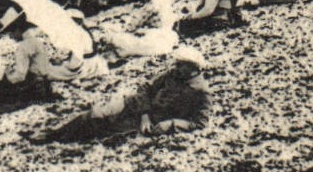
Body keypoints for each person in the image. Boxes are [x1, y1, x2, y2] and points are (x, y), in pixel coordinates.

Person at [32, 46, 208, 143]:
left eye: (181, 65)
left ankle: (62, 140)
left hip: (151, 122)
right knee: (96, 113)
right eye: (177, 64)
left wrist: (171, 124)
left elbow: (200, 123)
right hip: (137, 106)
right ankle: (53, 134)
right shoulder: (171, 75)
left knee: (104, 128)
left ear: (193, 68)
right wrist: (145, 113)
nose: (176, 68)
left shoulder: (201, 92)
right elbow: (145, 89)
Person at [0, 8, 104, 113]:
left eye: (10, 33)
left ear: (17, 30)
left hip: (31, 87)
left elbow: (19, 77)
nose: (10, 37)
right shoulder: (36, 41)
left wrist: (6, 73)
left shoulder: (23, 47)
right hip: (43, 84)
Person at [98, 0, 178, 58]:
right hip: (168, 35)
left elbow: (136, 23)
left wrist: (125, 29)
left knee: (121, 40)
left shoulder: (152, 4)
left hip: (153, 37)